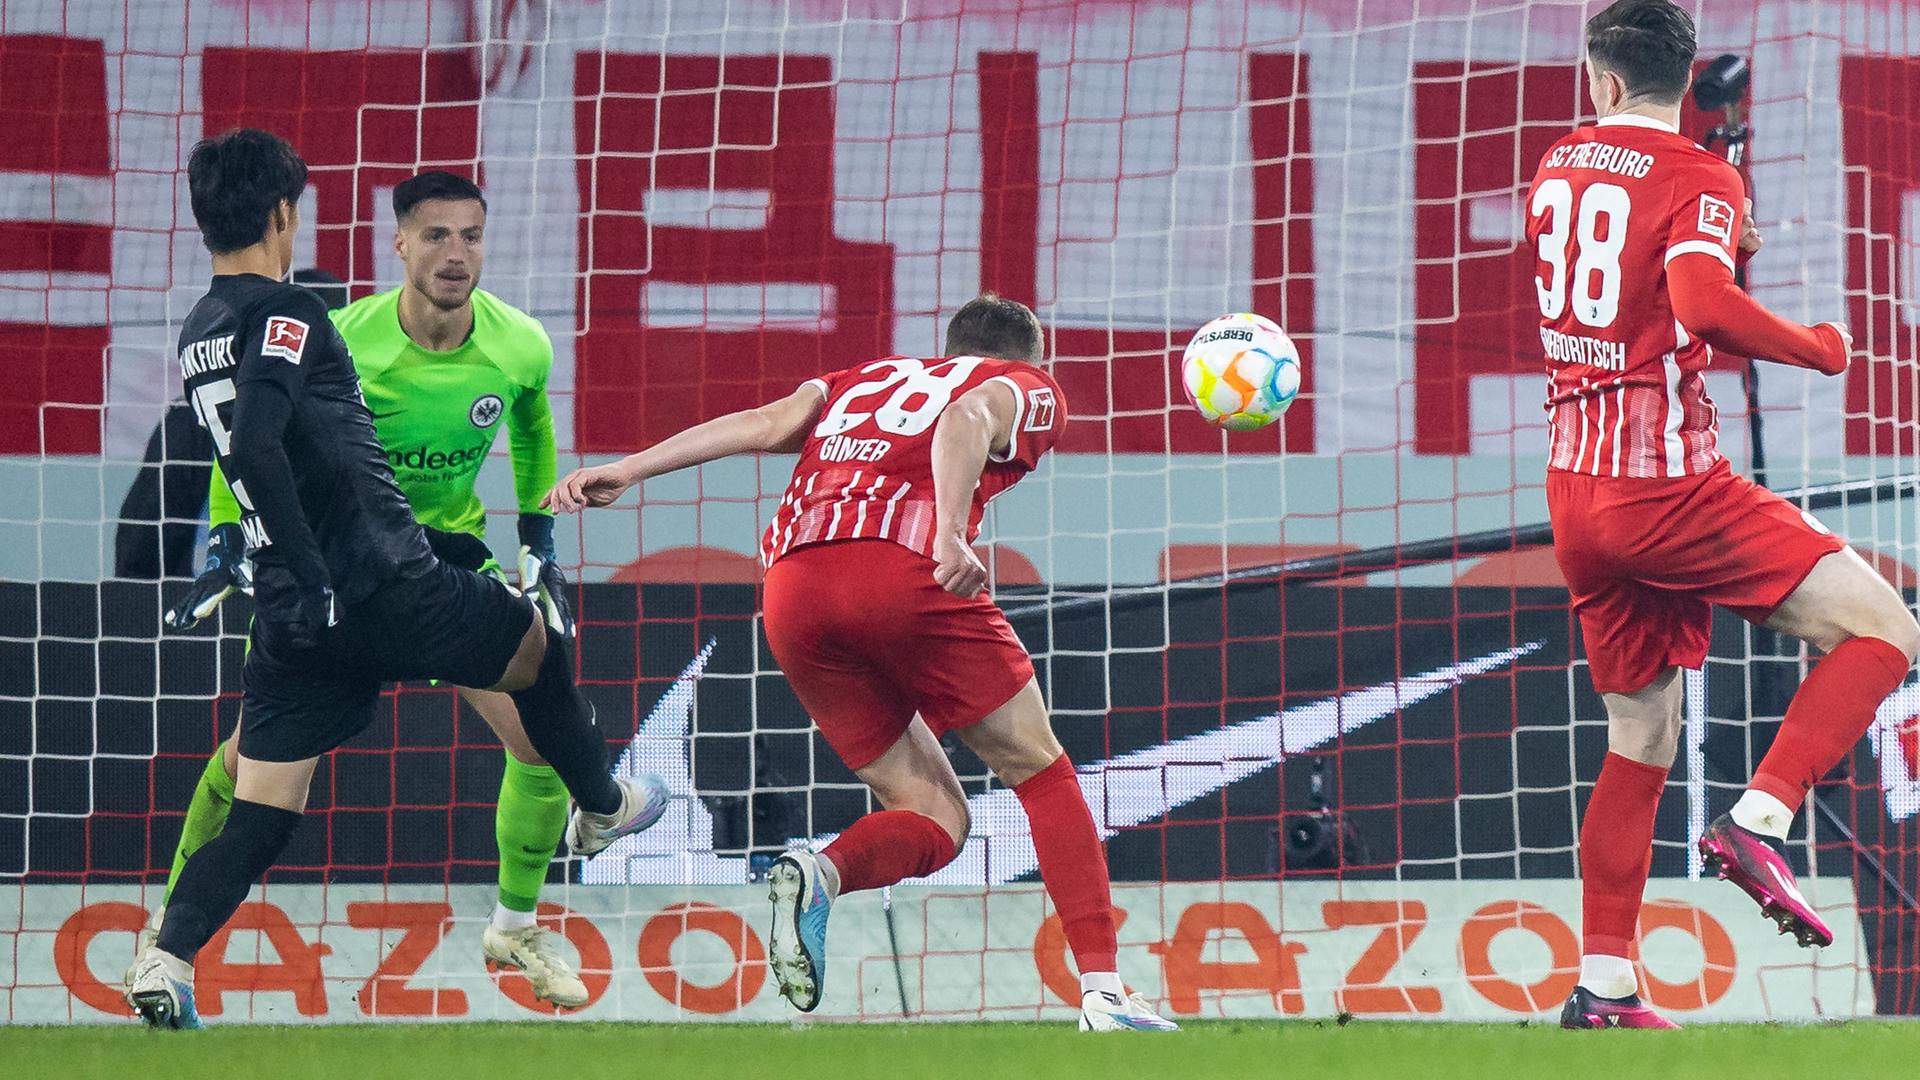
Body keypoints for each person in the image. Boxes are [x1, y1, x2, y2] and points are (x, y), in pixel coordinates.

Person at [122, 128, 668, 1030]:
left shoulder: (199, 330)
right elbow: (256, 440)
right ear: (284, 214)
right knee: (536, 649)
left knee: (263, 806)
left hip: (308, 611)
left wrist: (251, 555)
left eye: (471, 236)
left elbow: (245, 440)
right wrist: (291, 556)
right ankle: (604, 806)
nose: (456, 254)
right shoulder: (297, 313)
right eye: (437, 235)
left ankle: (167, 953)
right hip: (383, 578)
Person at [547, 294, 1177, 1032]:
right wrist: (949, 533)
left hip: (792, 591)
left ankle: (823, 872)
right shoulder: (1028, 388)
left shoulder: (860, 378)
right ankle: (1104, 991)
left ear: (945, 346)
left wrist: (631, 468)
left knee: (935, 815)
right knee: (1041, 771)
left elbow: (759, 425)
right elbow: (966, 420)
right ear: (1026, 358)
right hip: (903, 567)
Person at [1527, 0, 1920, 1030]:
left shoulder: (1560, 162)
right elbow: (1698, 305)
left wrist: (1715, 227)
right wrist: (1820, 346)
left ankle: (1603, 988)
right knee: (1885, 628)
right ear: (1687, 76)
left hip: (1576, 490)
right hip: (1667, 486)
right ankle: (1760, 817)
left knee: (1640, 735)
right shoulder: (1702, 174)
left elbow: (1645, 298)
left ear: (1601, 80)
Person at [113, 268, 345, 580]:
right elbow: (141, 550)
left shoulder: (197, 414)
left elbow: (138, 550)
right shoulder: (191, 423)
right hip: (220, 610)